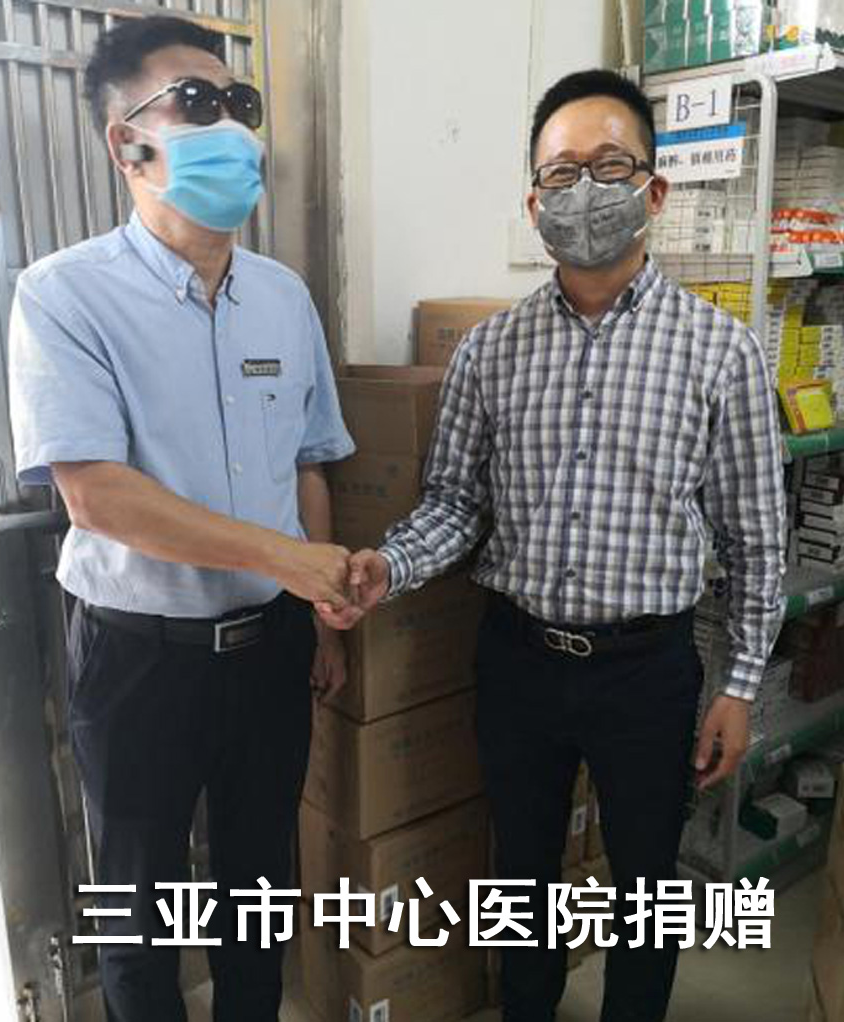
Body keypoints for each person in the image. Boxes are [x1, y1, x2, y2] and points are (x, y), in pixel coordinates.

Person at [319, 69, 787, 1022]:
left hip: (648, 671)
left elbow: (756, 540)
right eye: (561, 173)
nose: (584, 190)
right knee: (522, 880)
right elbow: (455, 506)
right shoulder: (490, 353)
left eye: (609, 166)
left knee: (646, 886)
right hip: (520, 659)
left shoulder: (721, 352)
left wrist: (739, 687)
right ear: (535, 204)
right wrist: (385, 565)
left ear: (654, 190)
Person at [7, 15, 356, 1022]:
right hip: (139, 658)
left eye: (240, 103)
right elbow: (95, 494)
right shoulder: (65, 295)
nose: (232, 126)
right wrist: (290, 558)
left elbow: (308, 460)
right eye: (196, 103)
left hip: (272, 649)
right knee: (139, 909)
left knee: (257, 889)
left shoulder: (284, 298)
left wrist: (320, 608)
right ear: (128, 142)